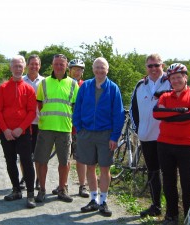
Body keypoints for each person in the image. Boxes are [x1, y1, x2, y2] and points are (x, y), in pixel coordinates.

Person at [73, 57, 124, 217]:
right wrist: (80, 129)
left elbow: (118, 114)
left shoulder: (113, 88)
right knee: (90, 167)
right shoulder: (85, 86)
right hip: (86, 133)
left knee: (104, 169)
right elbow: (77, 109)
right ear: (93, 69)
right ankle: (93, 199)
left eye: (102, 68)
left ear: (107, 70)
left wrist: (114, 137)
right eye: (97, 67)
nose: (99, 70)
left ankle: (103, 201)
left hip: (105, 134)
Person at [153, 63, 190, 225]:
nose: (176, 81)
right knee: (169, 181)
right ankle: (171, 216)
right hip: (164, 144)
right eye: (172, 78)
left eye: (179, 77)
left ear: (185, 77)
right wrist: (181, 110)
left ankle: (188, 218)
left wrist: (167, 117)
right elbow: (156, 113)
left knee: (188, 184)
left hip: (187, 146)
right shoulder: (165, 96)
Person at [130, 53, 171, 218]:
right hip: (146, 137)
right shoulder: (140, 85)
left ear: (163, 65)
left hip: (166, 137)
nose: (154, 68)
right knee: (153, 172)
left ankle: (172, 211)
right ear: (146, 67)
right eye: (150, 66)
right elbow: (133, 108)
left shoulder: (171, 82)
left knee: (168, 174)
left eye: (157, 65)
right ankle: (156, 206)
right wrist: (138, 129)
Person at [34, 54, 79, 203]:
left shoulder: (73, 84)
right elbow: (39, 103)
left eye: (62, 64)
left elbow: (75, 107)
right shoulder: (44, 83)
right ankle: (41, 190)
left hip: (65, 129)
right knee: (42, 161)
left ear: (66, 66)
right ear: (52, 65)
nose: (59, 67)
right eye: (56, 64)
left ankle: (62, 188)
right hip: (46, 127)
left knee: (64, 162)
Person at [0, 55, 37, 208]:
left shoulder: (29, 89)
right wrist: (5, 130)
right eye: (15, 66)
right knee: (10, 161)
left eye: (20, 66)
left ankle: (30, 194)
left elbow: (32, 112)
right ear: (11, 68)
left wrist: (21, 128)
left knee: (26, 161)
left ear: (23, 68)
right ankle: (16, 190)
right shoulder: (3, 88)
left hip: (23, 133)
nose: (18, 69)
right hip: (6, 133)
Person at [51, 58, 89, 198]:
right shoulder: (65, 84)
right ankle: (63, 185)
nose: (77, 72)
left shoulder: (85, 86)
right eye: (74, 69)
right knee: (64, 159)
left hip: (79, 128)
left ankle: (82, 186)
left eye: (79, 69)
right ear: (69, 70)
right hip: (65, 127)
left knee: (81, 158)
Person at [20, 54, 45, 190]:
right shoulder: (21, 81)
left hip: (40, 123)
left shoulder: (45, 82)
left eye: (36, 64)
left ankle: (38, 179)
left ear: (39, 66)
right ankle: (25, 177)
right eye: (32, 64)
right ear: (27, 65)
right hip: (25, 123)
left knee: (39, 154)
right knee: (25, 154)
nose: (34, 66)